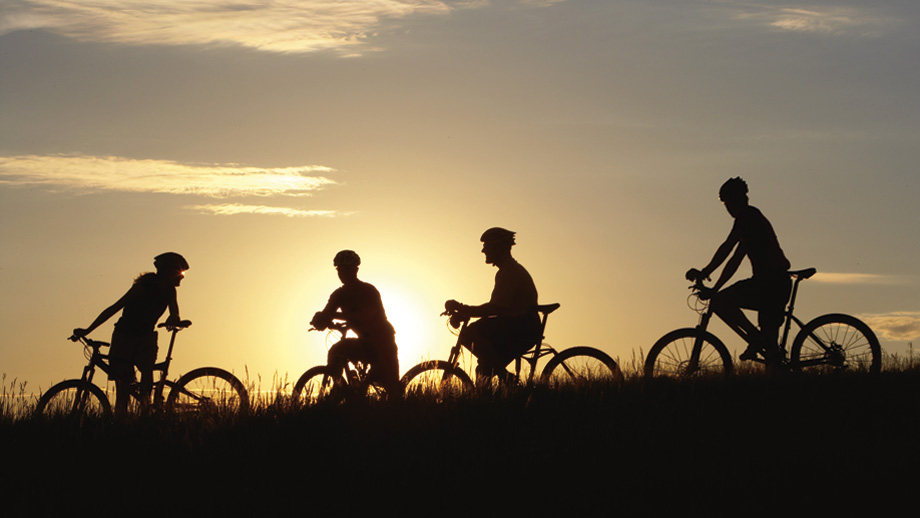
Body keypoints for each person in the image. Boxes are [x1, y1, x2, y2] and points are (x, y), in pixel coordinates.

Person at [686, 177, 791, 363]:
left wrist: (707, 275)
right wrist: (713, 283)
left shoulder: (747, 218)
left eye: (727, 203)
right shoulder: (751, 219)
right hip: (773, 283)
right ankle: (763, 349)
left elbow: (728, 249)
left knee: (720, 302)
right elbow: (734, 258)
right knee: (772, 352)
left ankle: (756, 339)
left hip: (770, 283)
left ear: (736, 200)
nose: (727, 209)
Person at [72, 252, 188, 416]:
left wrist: (174, 319)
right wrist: (88, 329)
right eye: (180, 273)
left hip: (145, 336)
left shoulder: (170, 291)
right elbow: (114, 308)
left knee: (146, 373)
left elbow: (175, 312)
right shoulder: (143, 287)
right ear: (168, 271)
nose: (181, 278)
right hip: (125, 336)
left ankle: (146, 412)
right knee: (124, 382)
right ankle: (123, 419)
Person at [445, 227, 541, 382]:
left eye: (487, 246)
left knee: (469, 334)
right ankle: (498, 390)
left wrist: (464, 309)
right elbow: (496, 309)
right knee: (484, 370)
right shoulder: (507, 271)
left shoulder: (509, 272)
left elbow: (495, 308)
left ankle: (505, 377)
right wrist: (465, 310)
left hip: (522, 328)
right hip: (521, 326)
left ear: (498, 248)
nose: (483, 250)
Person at [310, 250, 401, 396]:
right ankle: (339, 387)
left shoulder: (368, 291)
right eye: (339, 269)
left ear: (355, 270)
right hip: (365, 342)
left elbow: (364, 316)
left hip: (383, 342)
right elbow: (327, 313)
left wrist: (332, 315)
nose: (342, 273)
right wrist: (320, 320)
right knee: (336, 351)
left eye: (346, 269)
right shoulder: (338, 294)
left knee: (391, 388)